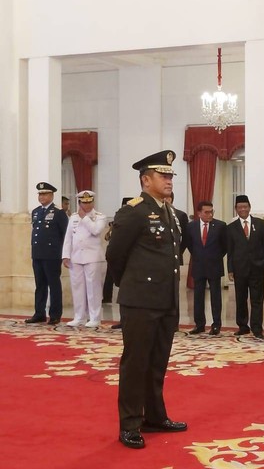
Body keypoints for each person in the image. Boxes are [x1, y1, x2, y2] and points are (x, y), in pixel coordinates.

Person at [105, 150, 186, 449]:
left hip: (165, 300)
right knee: (135, 363)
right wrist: (129, 284)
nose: (168, 180)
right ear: (145, 179)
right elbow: (115, 255)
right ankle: (129, 424)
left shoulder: (172, 213)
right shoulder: (134, 211)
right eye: (163, 176)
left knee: (157, 362)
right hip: (140, 300)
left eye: (170, 176)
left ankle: (155, 416)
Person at [62, 190, 108, 328]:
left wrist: (85, 218)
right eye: (84, 202)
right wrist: (65, 255)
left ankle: (95, 318)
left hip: (93, 257)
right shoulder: (73, 217)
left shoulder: (100, 217)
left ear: (93, 202)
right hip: (76, 257)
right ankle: (79, 316)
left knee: (93, 289)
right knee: (78, 288)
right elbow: (68, 238)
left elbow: (96, 231)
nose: (87, 205)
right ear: (79, 202)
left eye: (89, 202)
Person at [227, 195, 264, 339]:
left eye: (245, 206)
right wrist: (230, 269)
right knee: (241, 299)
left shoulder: (260, 223)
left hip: (257, 268)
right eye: (240, 207)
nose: (243, 209)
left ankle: (257, 328)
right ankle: (243, 326)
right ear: (236, 209)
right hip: (239, 269)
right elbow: (230, 250)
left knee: (257, 299)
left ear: (249, 207)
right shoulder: (231, 227)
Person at [26, 182, 69, 325]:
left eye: (44, 194)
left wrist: (64, 253)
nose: (41, 196)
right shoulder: (36, 211)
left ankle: (55, 314)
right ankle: (39, 313)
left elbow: (65, 235)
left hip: (52, 255)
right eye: (40, 194)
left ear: (51, 195)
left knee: (53, 284)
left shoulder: (59, 212)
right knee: (40, 285)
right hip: (38, 253)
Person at [186, 201, 227, 335]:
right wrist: (200, 256)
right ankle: (199, 324)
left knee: (216, 296)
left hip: (214, 265)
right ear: (199, 213)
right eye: (206, 212)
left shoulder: (220, 226)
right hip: (198, 265)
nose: (210, 214)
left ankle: (216, 325)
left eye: (211, 212)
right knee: (198, 296)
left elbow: (224, 247)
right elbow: (190, 245)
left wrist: (214, 257)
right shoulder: (191, 227)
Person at [106, 197, 133, 330]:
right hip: (121, 264)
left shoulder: (135, 222)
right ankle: (124, 320)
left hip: (134, 265)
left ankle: (131, 321)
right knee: (123, 296)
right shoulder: (118, 221)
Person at [166, 192, 189, 265]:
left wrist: (178, 251)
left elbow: (186, 238)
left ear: (170, 199)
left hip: (174, 253)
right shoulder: (154, 214)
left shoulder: (180, 215)